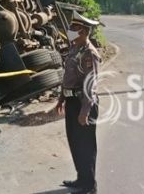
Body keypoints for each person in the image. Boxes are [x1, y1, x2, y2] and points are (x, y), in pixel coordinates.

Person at [56, 11, 101, 194]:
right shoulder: (75, 48)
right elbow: (68, 77)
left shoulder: (89, 53)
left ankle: (90, 185)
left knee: (86, 145)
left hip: (84, 104)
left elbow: (91, 84)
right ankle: (81, 178)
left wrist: (85, 110)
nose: (70, 31)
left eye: (74, 28)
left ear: (83, 31)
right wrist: (61, 99)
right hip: (72, 101)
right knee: (75, 143)